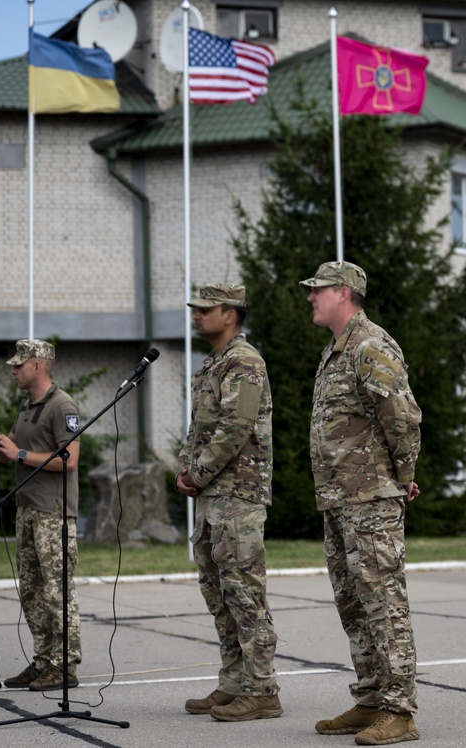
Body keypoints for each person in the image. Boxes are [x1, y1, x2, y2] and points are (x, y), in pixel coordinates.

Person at [300, 261, 422, 746]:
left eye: (318, 290)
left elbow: (403, 418)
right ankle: (371, 698)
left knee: (383, 602)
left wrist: (404, 476)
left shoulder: (371, 345)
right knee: (353, 603)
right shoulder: (336, 350)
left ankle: (400, 710)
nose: (310, 297)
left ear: (344, 293)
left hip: (371, 498)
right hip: (340, 499)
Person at [176, 283, 283, 722]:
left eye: (206, 309)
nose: (197, 315)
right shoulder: (212, 365)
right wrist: (185, 467)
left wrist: (196, 474)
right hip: (212, 497)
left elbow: (235, 429)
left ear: (230, 314)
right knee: (218, 591)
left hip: (237, 495)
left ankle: (263, 689)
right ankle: (234, 681)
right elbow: (199, 429)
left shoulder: (245, 362)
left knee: (243, 592)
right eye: (195, 309)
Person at [0, 339, 82, 690]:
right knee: (31, 591)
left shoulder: (62, 406)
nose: (13, 371)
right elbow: (12, 451)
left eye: (18, 365)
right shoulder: (27, 406)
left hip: (53, 514)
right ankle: (44, 660)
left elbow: (69, 460)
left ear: (38, 366)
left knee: (57, 591)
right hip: (27, 510)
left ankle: (65, 666)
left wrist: (18, 453)